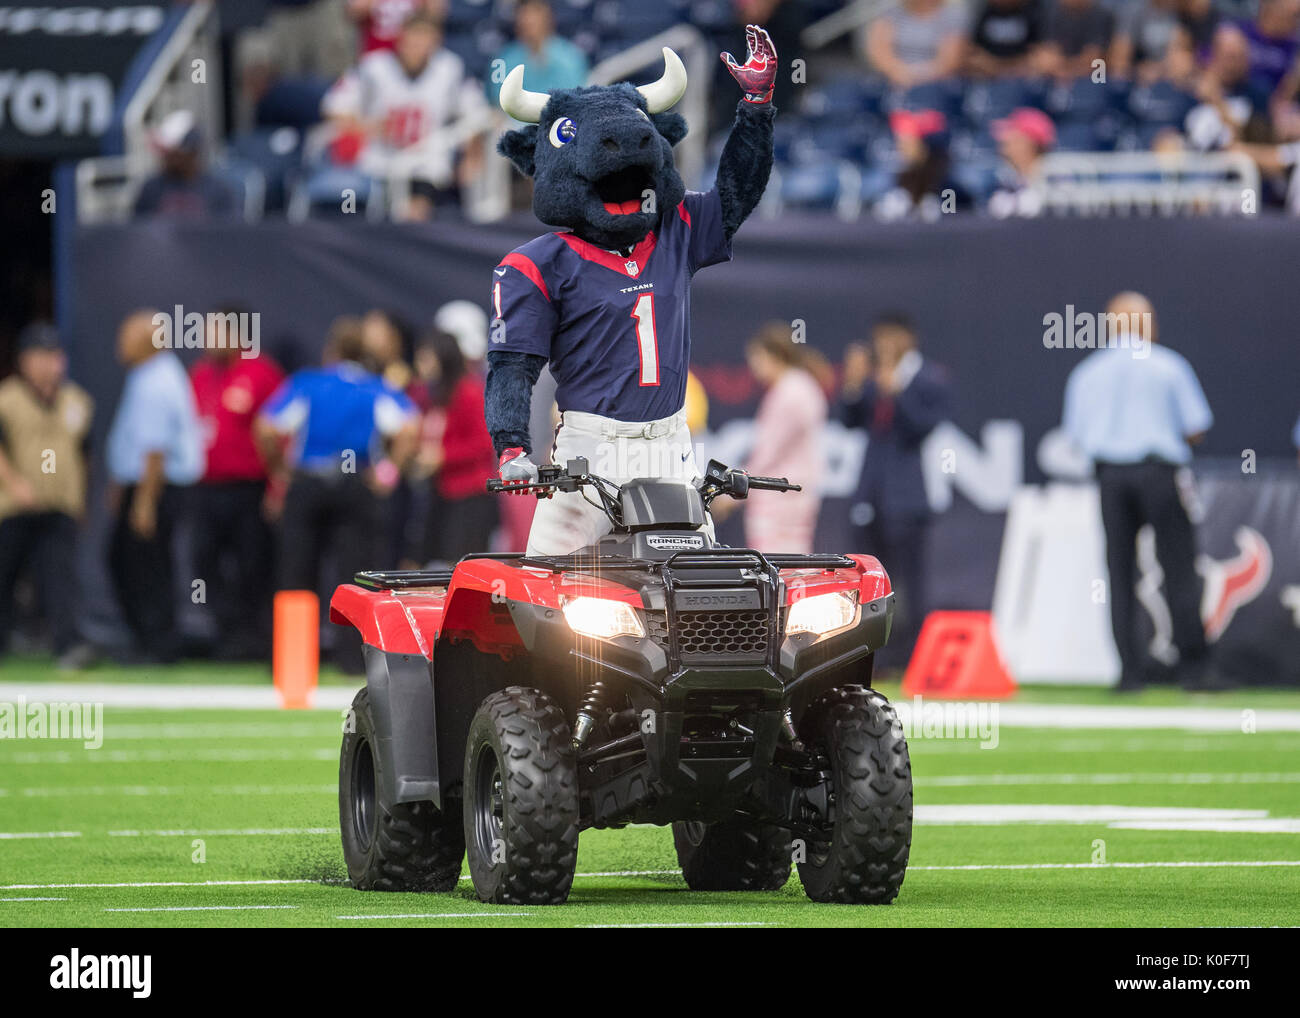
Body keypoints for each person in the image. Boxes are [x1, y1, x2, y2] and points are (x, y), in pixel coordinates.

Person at [486, 27, 778, 556]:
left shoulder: (674, 228)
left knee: (697, 603)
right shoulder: (538, 263)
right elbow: (513, 366)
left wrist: (755, 108)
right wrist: (511, 447)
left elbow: (737, 194)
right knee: (544, 597)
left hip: (670, 448)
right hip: (587, 454)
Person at [1061, 291, 1216, 691]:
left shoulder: (1087, 372)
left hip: (1111, 477)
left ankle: (1130, 674)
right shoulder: (1168, 366)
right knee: (1179, 568)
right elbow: (1196, 426)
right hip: (1158, 473)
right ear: (1146, 323)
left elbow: (1075, 437)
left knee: (1119, 571)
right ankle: (1194, 671)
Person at [255, 318, 418, 671]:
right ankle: (352, 661)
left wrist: (279, 471)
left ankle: (293, 662)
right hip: (355, 485)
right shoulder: (375, 388)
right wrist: (389, 472)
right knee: (354, 575)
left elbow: (266, 428)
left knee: (296, 573)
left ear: (330, 350)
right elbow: (409, 427)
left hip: (309, 481)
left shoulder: (308, 383)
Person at [840, 313, 951, 669]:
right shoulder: (874, 380)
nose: (883, 345)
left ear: (908, 338)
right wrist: (854, 386)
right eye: (879, 337)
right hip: (871, 495)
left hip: (909, 498)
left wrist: (895, 391)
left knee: (910, 584)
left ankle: (914, 658)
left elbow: (921, 427)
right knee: (873, 581)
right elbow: (850, 421)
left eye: (891, 337)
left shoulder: (930, 378)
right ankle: (877, 658)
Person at [106, 310, 205, 662]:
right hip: (146, 485)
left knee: (147, 566)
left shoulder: (157, 381)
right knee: (130, 561)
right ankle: (149, 639)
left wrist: (144, 503)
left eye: (126, 335)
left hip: (156, 488)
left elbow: (155, 450)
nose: (119, 342)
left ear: (149, 338)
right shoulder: (147, 373)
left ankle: (157, 643)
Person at [322, 10, 487, 220]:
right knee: (355, 208)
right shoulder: (373, 67)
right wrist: (367, 126)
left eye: (424, 38)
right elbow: (333, 106)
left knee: (412, 213)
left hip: (425, 163)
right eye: (413, 37)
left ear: (435, 41)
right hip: (378, 162)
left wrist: (472, 154)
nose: (417, 45)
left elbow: (476, 115)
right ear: (400, 38)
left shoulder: (450, 69)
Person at [189, 311, 285, 659]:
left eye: (215, 330)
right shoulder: (200, 374)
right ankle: (227, 630)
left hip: (249, 487)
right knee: (204, 560)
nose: (208, 339)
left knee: (253, 562)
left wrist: (278, 485)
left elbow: (281, 431)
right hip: (207, 487)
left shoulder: (261, 373)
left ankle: (254, 637)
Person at [0, 323, 95, 669]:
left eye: (55, 355)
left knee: (60, 578)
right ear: (24, 360)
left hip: (60, 506)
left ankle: (68, 646)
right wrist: (14, 483)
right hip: (13, 506)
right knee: (5, 575)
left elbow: (84, 453)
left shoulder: (78, 401)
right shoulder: (6, 399)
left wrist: (80, 497)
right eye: (40, 355)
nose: (49, 364)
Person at [743, 324, 827, 554]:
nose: (754, 367)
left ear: (774, 356)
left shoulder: (790, 392)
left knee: (777, 569)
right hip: (791, 494)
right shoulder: (800, 386)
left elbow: (767, 453)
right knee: (792, 566)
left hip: (778, 498)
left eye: (757, 358)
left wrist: (734, 487)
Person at [424, 329, 498, 561]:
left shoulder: (468, 392)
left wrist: (442, 456)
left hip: (470, 495)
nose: (422, 364)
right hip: (446, 491)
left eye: (426, 357)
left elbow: (483, 443)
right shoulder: (437, 395)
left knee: (463, 564)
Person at [133, 110, 239, 221]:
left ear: (191, 152)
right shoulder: (150, 190)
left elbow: (229, 234)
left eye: (172, 152)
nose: (165, 157)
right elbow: (137, 231)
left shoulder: (220, 192)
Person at [488, 0, 589, 105]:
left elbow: (574, 101)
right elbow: (498, 104)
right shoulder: (503, 59)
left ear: (548, 16)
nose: (528, 20)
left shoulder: (571, 57)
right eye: (524, 13)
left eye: (535, 12)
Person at [864, 0, 967, 90]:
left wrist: (918, 77)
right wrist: (899, 72)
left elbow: (949, 60)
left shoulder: (952, 14)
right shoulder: (890, 11)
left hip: (936, 83)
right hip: (893, 78)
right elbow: (879, 50)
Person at [1039, 0, 1116, 81]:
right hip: (1054, 78)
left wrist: (1066, 69)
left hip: (1091, 79)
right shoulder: (1051, 12)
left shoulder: (1102, 15)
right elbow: (1046, 56)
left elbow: (1094, 61)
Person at [967, 0, 1047, 78]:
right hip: (986, 77)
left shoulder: (1035, 11)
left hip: (1024, 78)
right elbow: (972, 54)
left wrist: (999, 67)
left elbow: (1040, 56)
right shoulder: (980, 11)